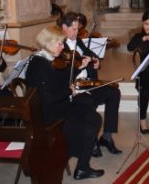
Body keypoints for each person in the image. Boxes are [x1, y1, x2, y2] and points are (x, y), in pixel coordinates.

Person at [25, 25, 104, 180]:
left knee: (93, 116)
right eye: (59, 43)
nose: (63, 46)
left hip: (56, 106)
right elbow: (48, 98)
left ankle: (80, 164)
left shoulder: (48, 59)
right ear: (48, 43)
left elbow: (61, 79)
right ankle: (77, 162)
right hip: (48, 115)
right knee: (89, 124)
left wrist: (78, 68)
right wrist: (70, 91)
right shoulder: (40, 65)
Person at [58, 12, 122, 157]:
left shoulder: (78, 40)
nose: (76, 32)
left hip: (88, 83)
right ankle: (90, 140)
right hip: (74, 89)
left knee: (114, 93)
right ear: (64, 28)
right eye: (73, 29)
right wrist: (78, 68)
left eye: (77, 29)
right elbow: (62, 74)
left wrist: (95, 61)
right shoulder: (59, 47)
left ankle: (106, 137)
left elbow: (89, 53)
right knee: (87, 102)